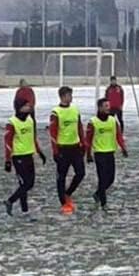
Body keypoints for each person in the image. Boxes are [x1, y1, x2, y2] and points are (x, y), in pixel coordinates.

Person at [3, 99, 46, 220]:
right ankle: (13, 202)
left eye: (29, 105)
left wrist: (39, 152)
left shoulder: (30, 120)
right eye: (26, 106)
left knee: (28, 184)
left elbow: (33, 137)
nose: (29, 107)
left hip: (29, 155)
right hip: (18, 157)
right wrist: (8, 160)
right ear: (19, 108)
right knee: (25, 183)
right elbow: (7, 142)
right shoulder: (12, 123)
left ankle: (21, 209)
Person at [86, 98, 128, 212]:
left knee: (110, 179)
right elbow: (88, 140)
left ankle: (98, 194)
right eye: (106, 106)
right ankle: (104, 204)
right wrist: (88, 154)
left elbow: (118, 135)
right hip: (99, 153)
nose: (108, 108)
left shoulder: (113, 121)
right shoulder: (93, 122)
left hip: (110, 153)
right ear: (100, 108)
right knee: (102, 178)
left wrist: (123, 148)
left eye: (108, 106)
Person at [50, 86, 86, 215]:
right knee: (61, 177)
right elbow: (53, 133)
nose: (71, 97)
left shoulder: (75, 110)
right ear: (63, 96)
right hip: (63, 148)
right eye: (69, 95)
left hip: (75, 147)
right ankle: (63, 202)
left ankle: (68, 193)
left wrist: (83, 143)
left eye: (71, 95)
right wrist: (55, 151)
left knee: (81, 173)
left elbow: (80, 128)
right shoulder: (56, 112)